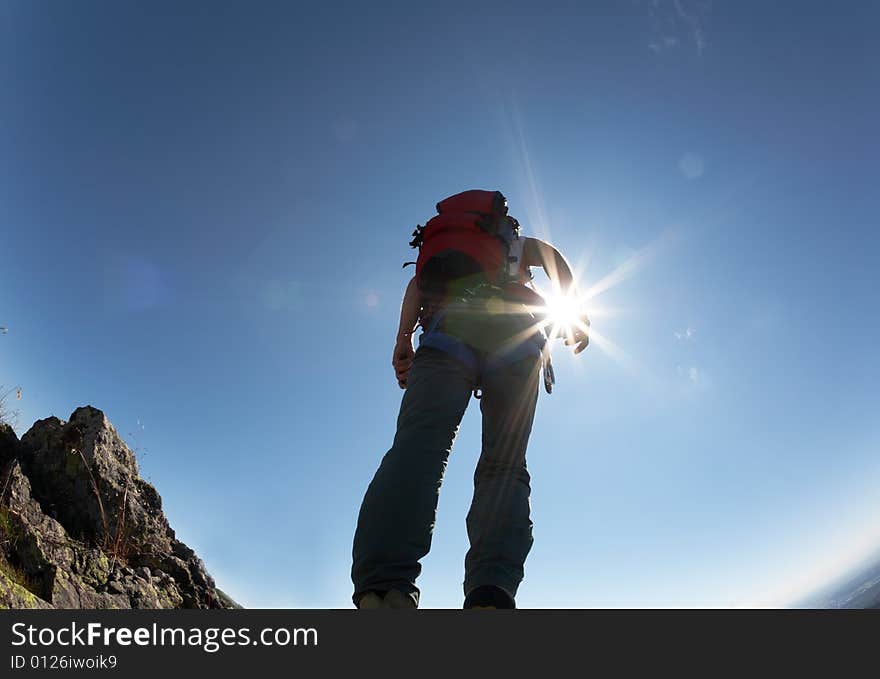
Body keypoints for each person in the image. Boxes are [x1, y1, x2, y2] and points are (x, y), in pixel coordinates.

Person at [351, 191, 589, 609]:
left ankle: (384, 586)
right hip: (517, 341)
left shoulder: (443, 253)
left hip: (447, 334)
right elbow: (554, 258)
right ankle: (490, 591)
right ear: (503, 221)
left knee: (418, 448)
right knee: (505, 464)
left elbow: (416, 285)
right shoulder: (515, 246)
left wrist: (403, 340)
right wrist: (576, 312)